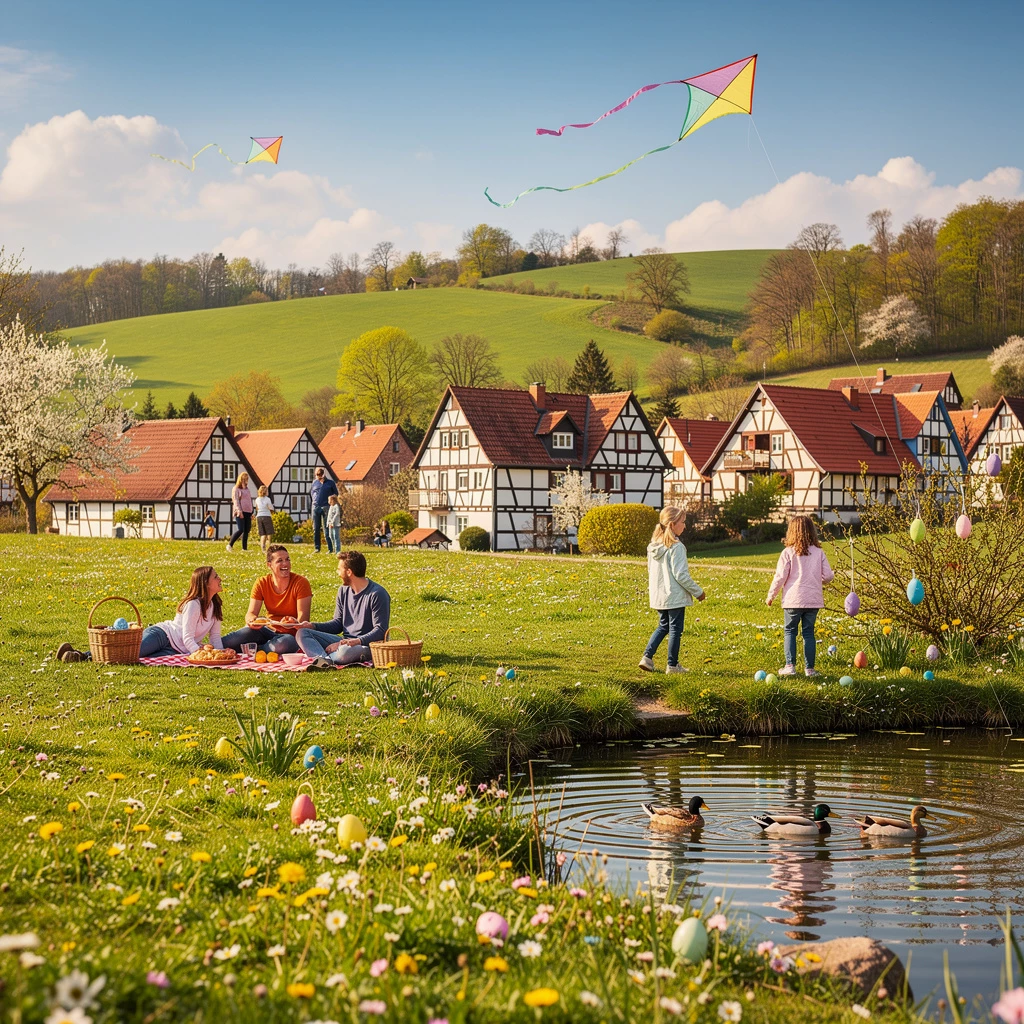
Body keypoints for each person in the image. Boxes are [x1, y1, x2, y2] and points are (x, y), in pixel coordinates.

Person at [55, 566, 224, 662]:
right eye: (216, 577)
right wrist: (205, 658)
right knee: (130, 652)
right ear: (206, 583)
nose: (219, 579)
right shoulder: (194, 605)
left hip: (176, 650)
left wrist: (221, 656)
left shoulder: (215, 605)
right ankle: (81, 655)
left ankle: (81, 657)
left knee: (135, 660)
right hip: (163, 635)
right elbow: (187, 638)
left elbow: (215, 637)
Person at [295, 550, 390, 668]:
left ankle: (324, 658)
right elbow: (337, 623)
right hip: (344, 642)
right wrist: (313, 626)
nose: (338, 573)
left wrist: (352, 642)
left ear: (349, 572)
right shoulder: (343, 591)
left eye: (339, 569)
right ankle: (325, 661)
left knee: (344, 653)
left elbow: (381, 631)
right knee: (302, 633)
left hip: (365, 645)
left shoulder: (377, 594)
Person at [766, 515, 835, 678]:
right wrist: (820, 580)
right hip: (813, 599)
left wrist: (771, 595)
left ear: (791, 532)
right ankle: (810, 669)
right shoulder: (819, 552)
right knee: (808, 633)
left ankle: (790, 666)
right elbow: (828, 576)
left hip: (793, 600)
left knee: (790, 630)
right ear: (812, 531)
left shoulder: (787, 552)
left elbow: (780, 576)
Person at [639, 506, 705, 675]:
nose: (685, 526)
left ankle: (647, 657)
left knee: (663, 626)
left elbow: (650, 571)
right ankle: (673, 665)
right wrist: (698, 591)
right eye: (682, 522)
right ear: (673, 524)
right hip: (674, 596)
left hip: (659, 596)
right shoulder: (676, 547)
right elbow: (681, 575)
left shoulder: (653, 547)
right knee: (675, 629)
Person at [221, 545, 312, 655]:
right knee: (228, 641)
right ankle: (205, 650)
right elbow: (251, 613)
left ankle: (254, 650)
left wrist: (294, 622)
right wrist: (251, 620)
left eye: (287, 559)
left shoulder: (301, 583)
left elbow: (304, 617)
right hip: (266, 629)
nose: (285, 564)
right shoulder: (262, 582)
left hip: (290, 635)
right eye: (280, 561)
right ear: (269, 565)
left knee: (283, 644)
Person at [310, 466, 339, 553]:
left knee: (326, 528)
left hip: (326, 507)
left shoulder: (330, 483)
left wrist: (331, 503)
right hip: (315, 507)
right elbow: (311, 493)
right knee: (316, 528)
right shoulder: (314, 483)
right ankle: (317, 548)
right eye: (316, 475)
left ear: (323, 474)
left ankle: (330, 548)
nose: (318, 476)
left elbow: (336, 494)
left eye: (319, 474)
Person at [227, 471, 254, 552]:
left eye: (247, 479)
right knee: (241, 529)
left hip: (248, 511)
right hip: (240, 511)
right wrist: (239, 511)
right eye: (244, 479)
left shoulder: (247, 489)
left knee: (247, 530)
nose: (246, 480)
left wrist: (252, 511)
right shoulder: (236, 489)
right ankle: (230, 545)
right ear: (241, 479)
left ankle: (244, 548)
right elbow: (236, 501)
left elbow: (249, 500)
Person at [255, 485, 275, 554]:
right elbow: (271, 508)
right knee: (269, 533)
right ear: (265, 492)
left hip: (259, 516)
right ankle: (269, 547)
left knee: (262, 533)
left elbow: (257, 508)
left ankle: (262, 548)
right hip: (266, 516)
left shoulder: (257, 499)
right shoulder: (267, 499)